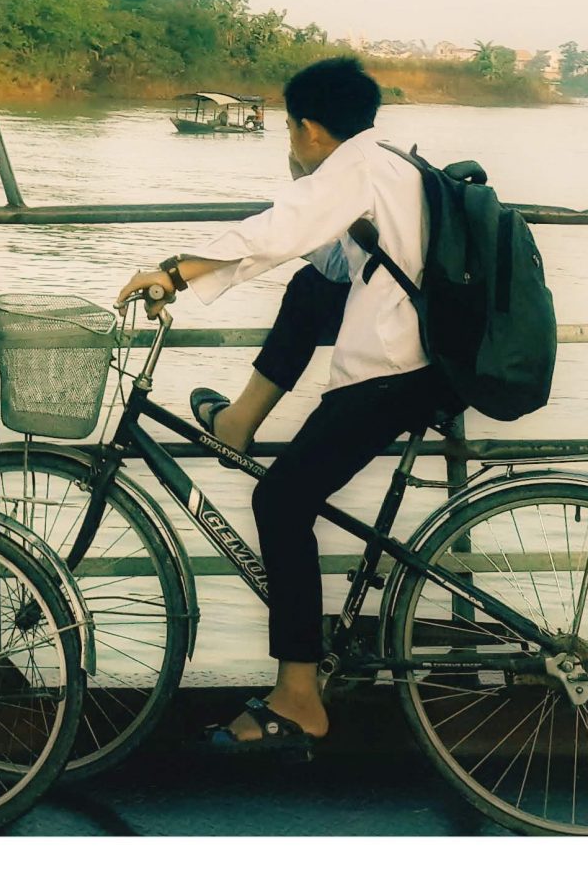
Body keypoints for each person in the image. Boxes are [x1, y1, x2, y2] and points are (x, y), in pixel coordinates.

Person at [116, 55, 451, 757]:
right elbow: (321, 260)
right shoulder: (389, 163)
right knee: (311, 284)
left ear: (310, 129)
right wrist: (295, 190)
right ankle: (241, 420)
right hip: (424, 362)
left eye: (291, 130)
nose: (290, 142)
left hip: (394, 371)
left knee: (280, 503)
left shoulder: (355, 169)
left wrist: (175, 272)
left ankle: (299, 698)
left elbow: (278, 228)